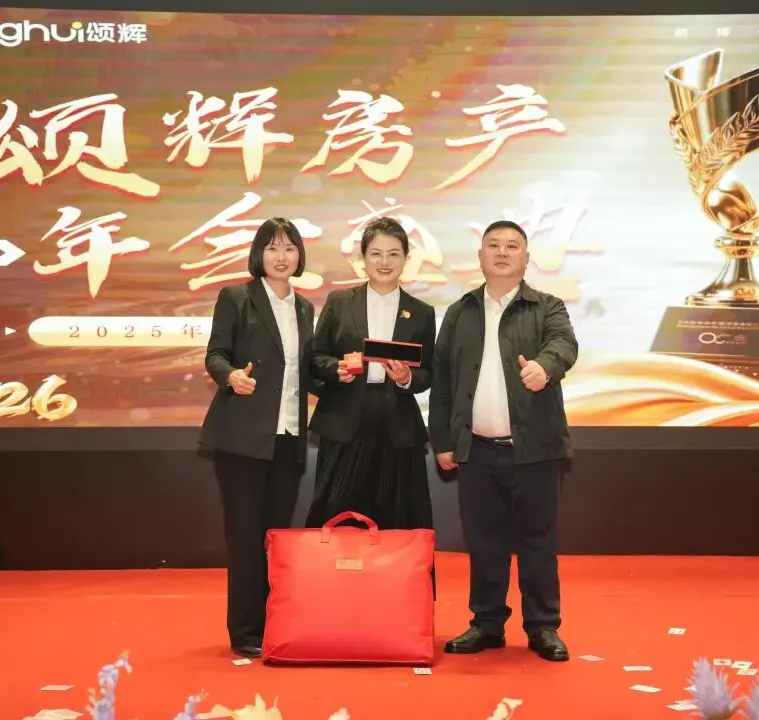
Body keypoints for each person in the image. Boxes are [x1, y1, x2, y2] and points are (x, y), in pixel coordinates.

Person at [428, 220, 578, 662]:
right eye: (493, 244)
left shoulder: (547, 306)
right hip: (477, 449)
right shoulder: (460, 312)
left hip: (535, 449)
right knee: (484, 542)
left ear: (526, 258)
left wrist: (545, 367)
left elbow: (564, 344)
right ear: (480, 256)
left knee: (538, 541)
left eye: (512, 246)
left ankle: (543, 626)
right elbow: (442, 379)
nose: (502, 252)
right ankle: (487, 623)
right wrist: (443, 440)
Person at [199, 218, 319, 659]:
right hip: (243, 438)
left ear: (299, 255)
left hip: (288, 436)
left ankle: (274, 623)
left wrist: (341, 374)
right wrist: (231, 375)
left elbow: (305, 370)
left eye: (289, 248)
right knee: (246, 538)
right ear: (258, 254)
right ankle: (246, 631)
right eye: (272, 248)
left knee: (275, 539)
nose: (281, 257)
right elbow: (215, 353)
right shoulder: (237, 297)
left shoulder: (304, 308)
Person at [306, 216, 436, 533]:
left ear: (406, 259)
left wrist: (406, 378)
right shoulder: (339, 302)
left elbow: (429, 372)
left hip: (398, 427)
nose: (384, 262)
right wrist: (336, 369)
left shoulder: (422, 312)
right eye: (376, 253)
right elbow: (316, 356)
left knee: (399, 522)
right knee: (335, 518)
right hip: (345, 422)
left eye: (393, 254)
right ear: (363, 259)